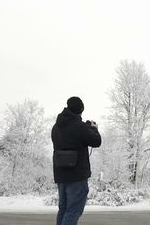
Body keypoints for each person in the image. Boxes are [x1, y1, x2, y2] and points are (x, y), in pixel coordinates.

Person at [51, 96, 101, 225]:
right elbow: (96, 141)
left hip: (61, 175)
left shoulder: (56, 127)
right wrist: (93, 128)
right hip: (77, 175)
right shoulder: (80, 127)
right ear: (80, 110)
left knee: (63, 209)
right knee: (73, 210)